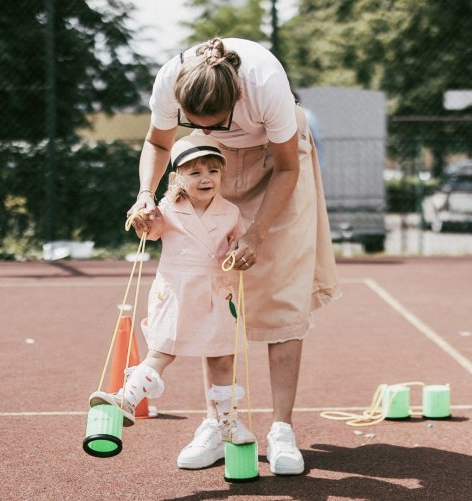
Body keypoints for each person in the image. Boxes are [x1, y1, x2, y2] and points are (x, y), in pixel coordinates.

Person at [128, 37, 339, 475]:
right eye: (196, 122)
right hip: (214, 163)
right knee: (214, 288)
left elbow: (287, 167)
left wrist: (256, 235)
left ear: (237, 99)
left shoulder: (266, 84)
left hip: (277, 161)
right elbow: (158, 142)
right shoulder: (172, 79)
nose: (211, 126)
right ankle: (219, 424)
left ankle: (282, 428)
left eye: (218, 122)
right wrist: (146, 194)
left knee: (283, 292)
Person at [89, 135, 256, 461]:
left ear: (222, 174)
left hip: (217, 292)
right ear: (178, 177)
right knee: (162, 350)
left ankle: (226, 422)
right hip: (177, 291)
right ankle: (127, 397)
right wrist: (141, 218)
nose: (205, 178)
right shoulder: (167, 209)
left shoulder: (231, 212)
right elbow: (148, 231)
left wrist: (240, 253)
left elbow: (240, 245)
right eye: (194, 173)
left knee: (223, 358)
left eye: (212, 170)